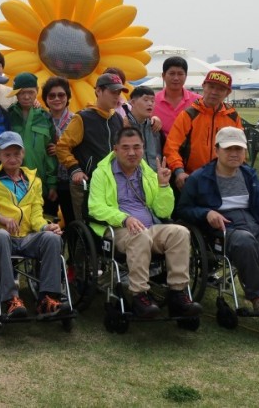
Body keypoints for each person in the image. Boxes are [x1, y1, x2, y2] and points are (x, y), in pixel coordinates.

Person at [176, 127, 259, 314]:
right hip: (223, 234)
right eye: (228, 149)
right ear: (216, 150)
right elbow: (183, 209)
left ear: (245, 151)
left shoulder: (248, 174)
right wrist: (206, 213)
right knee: (244, 240)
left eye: (239, 149)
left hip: (256, 229)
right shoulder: (199, 177)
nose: (234, 153)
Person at [88, 127, 202, 318]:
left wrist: (163, 186)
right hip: (117, 229)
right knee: (139, 235)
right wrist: (124, 218)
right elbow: (95, 207)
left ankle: (177, 293)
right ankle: (139, 294)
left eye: (136, 147)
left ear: (143, 148)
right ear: (115, 149)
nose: (132, 153)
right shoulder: (102, 173)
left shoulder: (147, 172)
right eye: (125, 148)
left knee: (180, 232)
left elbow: (163, 212)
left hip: (149, 228)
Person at [0, 131, 70, 319]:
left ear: (23, 154)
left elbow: (36, 214)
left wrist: (45, 227)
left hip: (27, 237)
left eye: (16, 153)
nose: (12, 158)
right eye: (7, 154)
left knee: (52, 238)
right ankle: (10, 299)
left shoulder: (34, 181)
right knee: (1, 235)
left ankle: (47, 299)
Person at [55, 73, 126, 220]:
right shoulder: (82, 117)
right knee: (90, 224)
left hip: (115, 182)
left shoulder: (118, 118)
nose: (117, 96)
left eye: (119, 92)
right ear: (98, 91)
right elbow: (62, 146)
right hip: (88, 184)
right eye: (113, 92)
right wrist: (75, 169)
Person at [164, 69, 243, 190]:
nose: (214, 92)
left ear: (227, 93)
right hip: (191, 178)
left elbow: (241, 149)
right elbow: (171, 147)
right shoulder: (189, 115)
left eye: (220, 89)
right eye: (211, 87)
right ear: (203, 86)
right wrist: (179, 171)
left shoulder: (233, 117)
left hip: (224, 179)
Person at [7, 72, 58, 213]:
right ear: (16, 94)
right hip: (12, 184)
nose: (26, 96)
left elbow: (51, 153)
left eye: (30, 92)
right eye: (22, 93)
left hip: (41, 183)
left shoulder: (45, 117)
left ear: (37, 91)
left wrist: (52, 184)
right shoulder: (8, 116)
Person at [42, 76, 75, 223]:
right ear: (46, 99)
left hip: (69, 180)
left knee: (72, 221)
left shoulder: (76, 120)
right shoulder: (41, 120)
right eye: (52, 95)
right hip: (47, 180)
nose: (57, 99)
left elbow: (82, 149)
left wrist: (60, 150)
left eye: (61, 95)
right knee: (48, 221)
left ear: (67, 97)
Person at [152, 56, 201, 137]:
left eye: (180, 74)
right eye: (172, 73)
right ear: (163, 75)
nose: (176, 78)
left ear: (186, 76)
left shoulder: (199, 101)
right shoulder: (152, 101)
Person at [124, 86, 162, 171]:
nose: (150, 103)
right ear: (133, 102)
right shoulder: (124, 126)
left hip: (155, 176)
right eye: (146, 100)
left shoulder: (154, 126)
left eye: (152, 101)